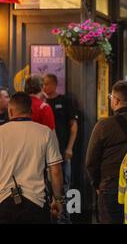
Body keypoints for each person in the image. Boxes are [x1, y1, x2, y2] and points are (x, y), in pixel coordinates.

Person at [0, 92, 64, 224]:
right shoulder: (45, 132)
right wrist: (58, 199)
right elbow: (56, 171)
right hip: (36, 203)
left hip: (4, 202)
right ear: (31, 111)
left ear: (10, 111)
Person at [86, 80, 127, 224]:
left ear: (116, 101)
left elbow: (91, 161)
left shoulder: (104, 126)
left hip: (111, 184)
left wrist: (97, 184)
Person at [42, 74, 78, 223]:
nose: (45, 87)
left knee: (64, 186)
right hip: (43, 153)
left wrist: (70, 147)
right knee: (46, 187)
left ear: (55, 84)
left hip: (62, 151)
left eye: (47, 84)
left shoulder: (65, 101)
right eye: (43, 84)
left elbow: (74, 126)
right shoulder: (41, 104)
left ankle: (64, 219)